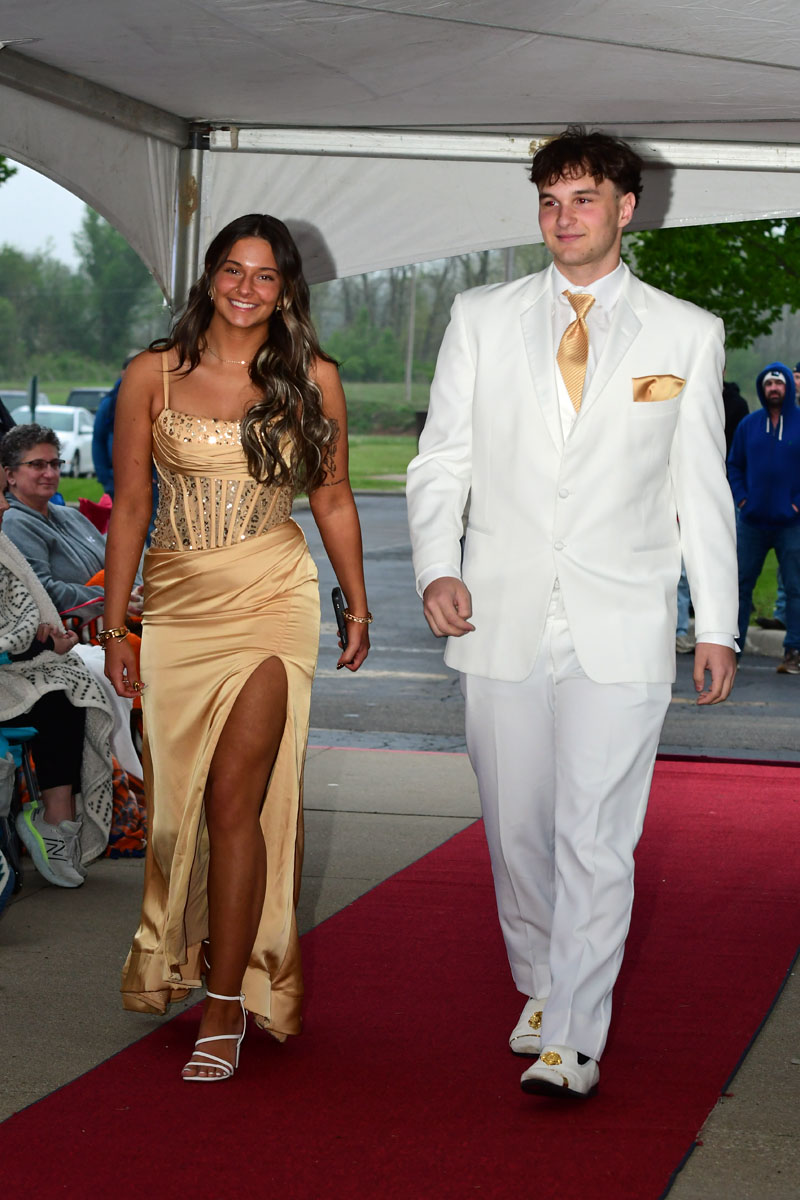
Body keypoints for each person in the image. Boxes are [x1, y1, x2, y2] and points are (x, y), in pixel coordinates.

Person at [406, 125, 738, 1098]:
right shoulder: (479, 317)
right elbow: (441, 462)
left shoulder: (684, 333)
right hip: (496, 615)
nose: (563, 219)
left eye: (582, 200)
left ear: (624, 208)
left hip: (621, 618)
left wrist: (714, 620)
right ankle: (541, 985)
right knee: (516, 833)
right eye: (548, 201)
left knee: (594, 835)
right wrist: (434, 567)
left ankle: (572, 1038)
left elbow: (699, 489)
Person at [104, 213, 370, 1082]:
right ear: (209, 278)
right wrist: (115, 625)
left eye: (265, 276)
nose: (247, 289)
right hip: (178, 605)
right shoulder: (152, 374)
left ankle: (228, 1003)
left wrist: (356, 604)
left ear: (286, 288)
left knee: (235, 801)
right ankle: (184, 954)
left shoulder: (312, 378)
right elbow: (133, 506)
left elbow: (330, 497)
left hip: (271, 596)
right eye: (232, 270)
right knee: (176, 816)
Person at [0, 467, 113, 887]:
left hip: (13, 665)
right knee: (55, 690)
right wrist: (39, 644)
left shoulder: (6, 541)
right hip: (9, 669)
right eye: (37, 464)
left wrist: (43, 638)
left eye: (55, 463)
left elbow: (26, 608)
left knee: (67, 688)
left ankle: (56, 822)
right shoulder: (17, 528)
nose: (3, 505)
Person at [0, 424, 143, 624]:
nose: (50, 473)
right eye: (37, 465)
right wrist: (112, 601)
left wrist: (137, 594)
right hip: (77, 637)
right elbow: (41, 592)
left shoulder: (70, 515)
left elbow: (116, 563)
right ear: (10, 475)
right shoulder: (13, 523)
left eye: (55, 464)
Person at [727, 363, 800, 674]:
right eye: (769, 384)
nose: (774, 389)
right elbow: (734, 465)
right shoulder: (748, 425)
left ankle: (794, 650)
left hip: (791, 524)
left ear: (789, 389)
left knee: (796, 587)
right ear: (761, 388)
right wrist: (743, 498)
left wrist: (796, 505)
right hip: (752, 522)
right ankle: (733, 650)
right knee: (739, 586)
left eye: (779, 384)